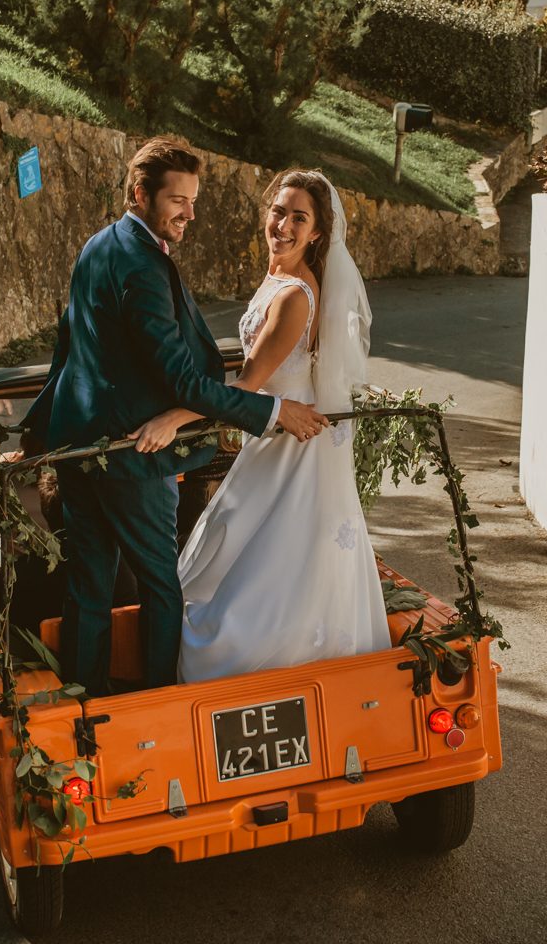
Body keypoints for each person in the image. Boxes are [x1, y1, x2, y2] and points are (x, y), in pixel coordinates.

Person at [21, 139, 331, 696]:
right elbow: (181, 382)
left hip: (79, 447)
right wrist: (274, 410)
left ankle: (85, 711)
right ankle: (160, 707)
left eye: (193, 199)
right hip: (131, 454)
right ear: (140, 194)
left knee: (89, 587)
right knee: (162, 585)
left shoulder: (99, 244)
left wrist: (45, 429)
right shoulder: (142, 264)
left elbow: (68, 346)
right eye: (178, 200)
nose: (190, 213)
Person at [130, 171, 387, 684]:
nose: (284, 225)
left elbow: (248, 383)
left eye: (299, 218)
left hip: (289, 441)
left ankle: (265, 666)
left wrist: (173, 417)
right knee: (234, 548)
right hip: (268, 433)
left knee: (271, 564)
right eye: (279, 211)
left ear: (317, 233)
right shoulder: (278, 277)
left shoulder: (295, 296)